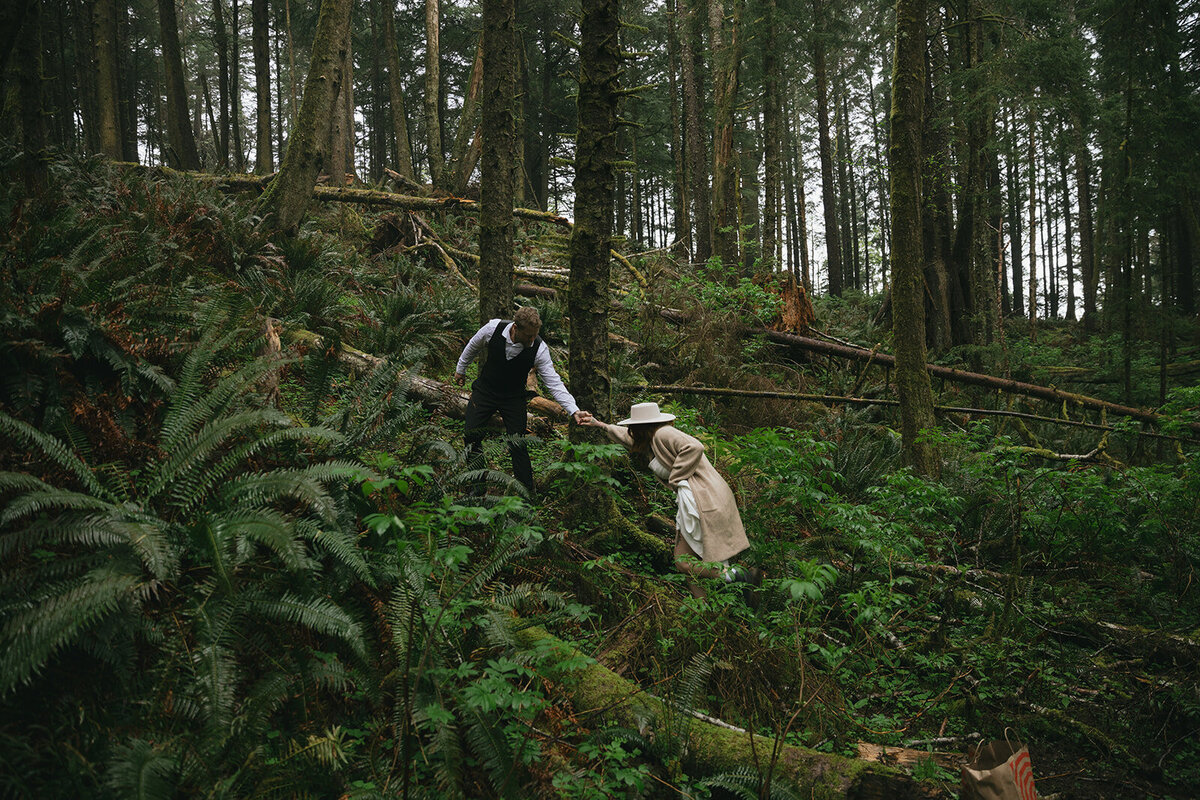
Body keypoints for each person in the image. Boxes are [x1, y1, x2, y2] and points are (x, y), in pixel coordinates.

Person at [581, 401, 758, 597]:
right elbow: (626, 439)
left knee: (683, 562)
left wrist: (676, 477)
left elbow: (695, 447)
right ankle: (703, 610)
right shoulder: (651, 441)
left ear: (639, 427)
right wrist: (600, 425)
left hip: (703, 498)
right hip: (699, 497)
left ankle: (736, 575)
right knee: (689, 562)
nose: (629, 430)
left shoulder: (663, 434)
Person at [454, 307, 590, 497]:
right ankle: (478, 486)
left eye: (535, 335)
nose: (532, 340)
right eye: (529, 336)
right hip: (485, 391)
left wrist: (573, 410)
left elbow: (553, 382)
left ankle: (526, 491)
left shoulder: (539, 349)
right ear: (515, 328)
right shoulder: (492, 329)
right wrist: (461, 369)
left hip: (513, 398)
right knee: (471, 435)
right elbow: (472, 347)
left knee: (517, 443)